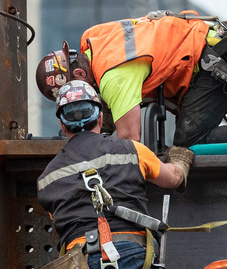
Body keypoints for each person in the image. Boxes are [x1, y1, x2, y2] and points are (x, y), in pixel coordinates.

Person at [35, 10, 227, 148]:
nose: (79, 101)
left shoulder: (113, 76)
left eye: (76, 93)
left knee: (189, 141)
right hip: (203, 47)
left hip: (213, 62)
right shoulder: (93, 39)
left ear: (80, 74)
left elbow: (130, 139)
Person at [37, 80, 195, 268]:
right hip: (131, 252)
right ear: (100, 119)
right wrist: (180, 158)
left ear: (62, 126)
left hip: (80, 260)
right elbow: (174, 178)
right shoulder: (132, 151)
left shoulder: (46, 180)